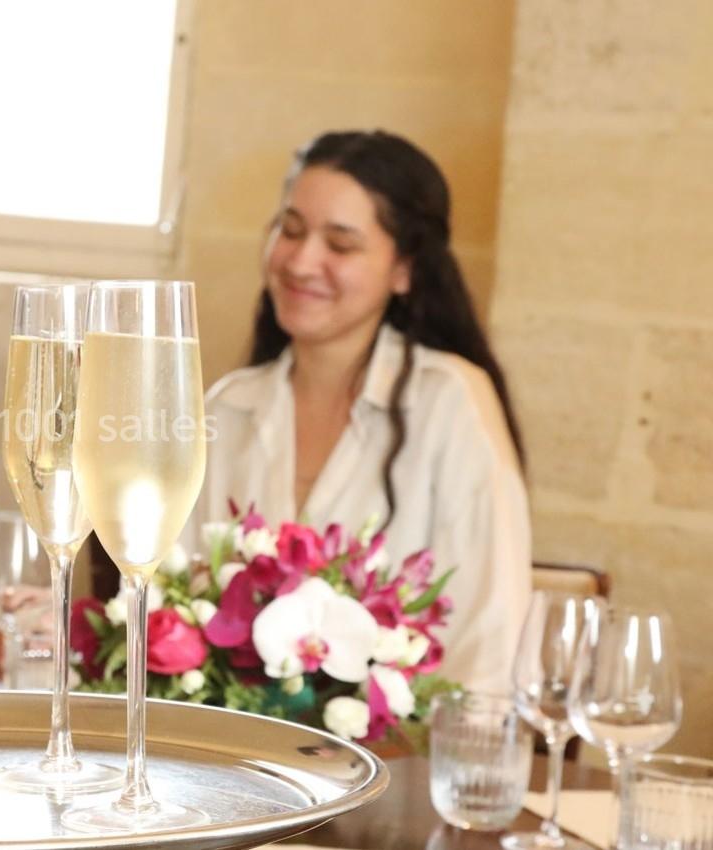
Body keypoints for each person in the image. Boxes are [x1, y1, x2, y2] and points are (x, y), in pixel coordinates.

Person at [197, 130, 530, 692]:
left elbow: (491, 645)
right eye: (290, 230)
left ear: (405, 269)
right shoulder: (227, 407)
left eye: (341, 244)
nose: (302, 261)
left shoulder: (450, 401)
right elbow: (172, 601)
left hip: (408, 745)